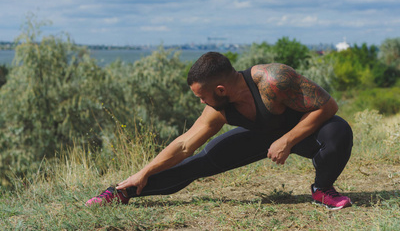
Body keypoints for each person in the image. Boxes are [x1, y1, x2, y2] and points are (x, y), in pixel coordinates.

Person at [86, 52, 353, 210]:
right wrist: (143, 172)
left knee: (338, 132)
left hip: (304, 133)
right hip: (263, 138)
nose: (202, 103)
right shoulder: (218, 109)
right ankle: (121, 193)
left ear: (221, 90)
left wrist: (287, 139)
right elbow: (183, 146)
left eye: (203, 97)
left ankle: (323, 189)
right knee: (197, 163)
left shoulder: (273, 80)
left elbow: (328, 106)